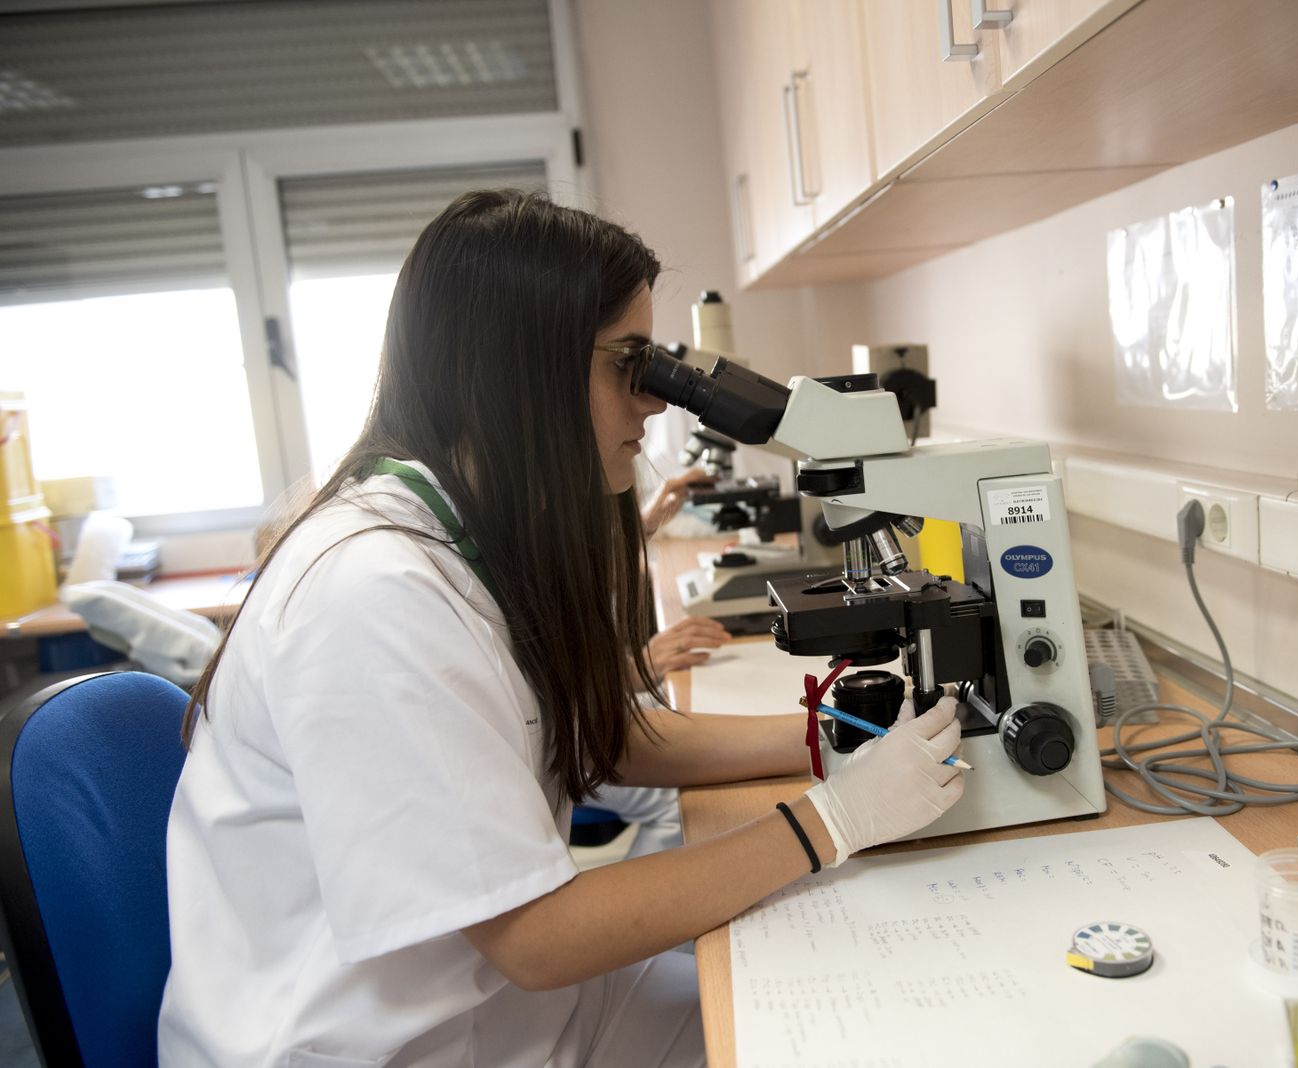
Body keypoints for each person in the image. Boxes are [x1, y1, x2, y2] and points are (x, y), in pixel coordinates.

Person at [157, 190, 966, 1068]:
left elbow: (596, 735)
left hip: (503, 1013)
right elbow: (537, 939)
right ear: (518, 373)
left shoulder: (461, 534)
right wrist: (832, 821)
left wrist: (836, 735)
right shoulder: (372, 594)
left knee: (834, 998)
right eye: (630, 365)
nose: (654, 403)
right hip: (380, 1046)